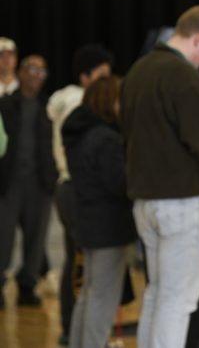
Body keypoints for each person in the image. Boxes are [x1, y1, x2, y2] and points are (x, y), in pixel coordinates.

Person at [120, 5, 199, 348]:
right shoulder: (183, 77)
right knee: (178, 303)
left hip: (146, 203)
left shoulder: (137, 71)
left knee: (157, 296)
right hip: (182, 206)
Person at [61, 75, 137, 348]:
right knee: (102, 298)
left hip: (90, 224)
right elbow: (120, 182)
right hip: (109, 228)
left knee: (90, 294)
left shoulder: (80, 133)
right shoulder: (104, 138)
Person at [47, 43, 113, 345]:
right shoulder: (79, 104)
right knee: (88, 274)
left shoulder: (65, 100)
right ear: (85, 77)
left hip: (68, 188)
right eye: (101, 76)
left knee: (79, 267)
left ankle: (71, 330)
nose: (107, 83)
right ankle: (78, 332)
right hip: (79, 189)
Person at [0, 54, 57, 308]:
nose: (36, 76)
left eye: (42, 72)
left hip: (40, 183)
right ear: (21, 72)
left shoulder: (49, 107)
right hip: (8, 182)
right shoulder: (5, 104)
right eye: (32, 69)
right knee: (3, 237)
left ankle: (27, 283)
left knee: (36, 239)